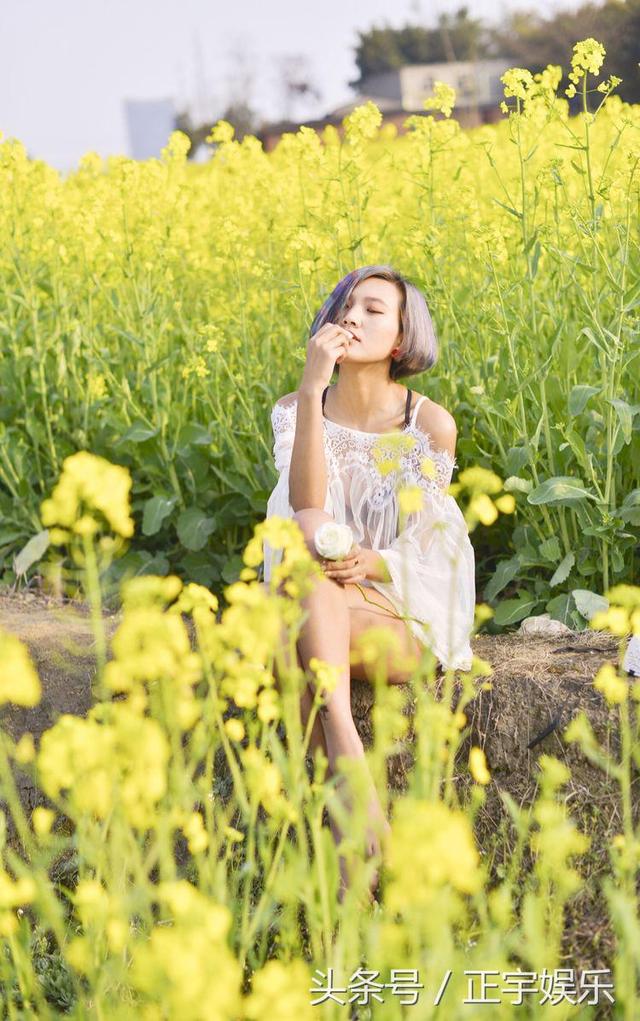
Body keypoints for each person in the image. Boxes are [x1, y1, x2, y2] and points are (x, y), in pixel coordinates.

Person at [261, 264, 476, 902]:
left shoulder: (427, 424)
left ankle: (313, 850)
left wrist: (373, 563)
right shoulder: (296, 410)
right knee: (307, 574)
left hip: (395, 611)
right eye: (346, 306)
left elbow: (438, 551)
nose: (353, 318)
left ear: (404, 338)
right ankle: (356, 836)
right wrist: (310, 385)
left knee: (290, 620)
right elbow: (307, 510)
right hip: (318, 601)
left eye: (374, 310)